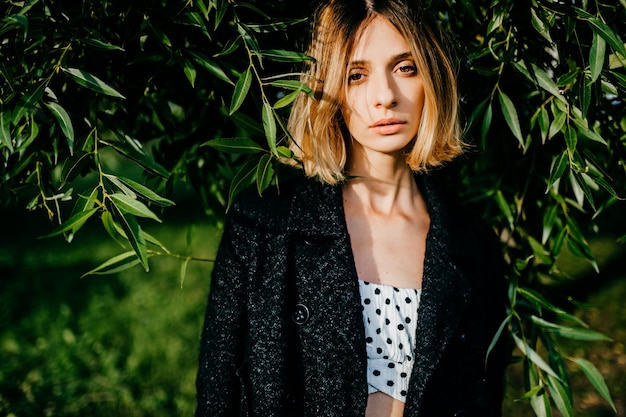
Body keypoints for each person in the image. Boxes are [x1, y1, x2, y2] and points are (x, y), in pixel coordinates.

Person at [196, 0, 510, 416]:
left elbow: (482, 398)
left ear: (433, 77)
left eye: (405, 67)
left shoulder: (472, 243)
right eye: (356, 75)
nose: (384, 96)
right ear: (329, 91)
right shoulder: (263, 226)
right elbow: (219, 396)